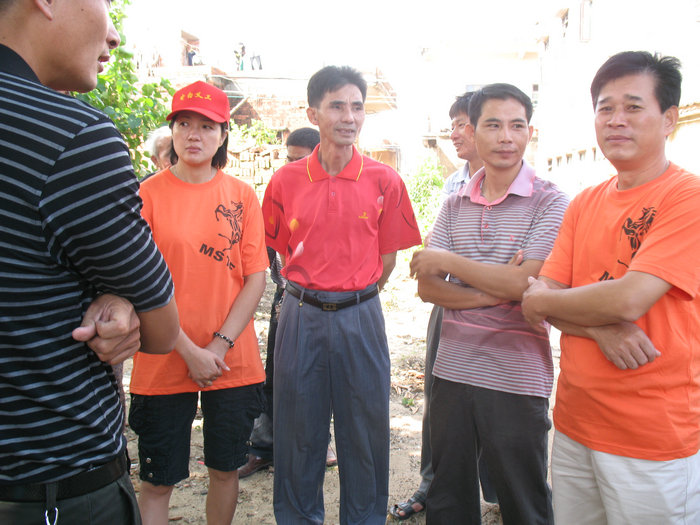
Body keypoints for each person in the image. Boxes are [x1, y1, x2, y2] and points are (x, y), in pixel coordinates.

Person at [0, 1, 179, 524]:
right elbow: (163, 329)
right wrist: (123, 297)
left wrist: (113, 292)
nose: (114, 34)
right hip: (52, 488)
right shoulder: (69, 136)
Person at [522, 51, 700, 524]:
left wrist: (547, 300)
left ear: (669, 119)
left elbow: (627, 298)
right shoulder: (584, 203)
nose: (616, 120)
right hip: (576, 424)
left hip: (653, 436)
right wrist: (598, 329)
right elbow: (535, 304)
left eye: (633, 107)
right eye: (605, 108)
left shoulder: (686, 198)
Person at [262, 65, 422, 524]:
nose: (349, 117)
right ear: (313, 113)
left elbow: (387, 261)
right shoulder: (284, 181)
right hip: (300, 316)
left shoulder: (384, 181)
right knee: (297, 433)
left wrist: (353, 296)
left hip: (361, 317)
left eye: (357, 107)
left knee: (365, 433)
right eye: (337, 106)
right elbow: (280, 250)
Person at [410, 83, 569, 524]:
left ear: (529, 132)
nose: (506, 137)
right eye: (493, 125)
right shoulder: (453, 202)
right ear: (473, 131)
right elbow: (428, 288)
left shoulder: (550, 200)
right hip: (452, 370)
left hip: (517, 375)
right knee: (448, 497)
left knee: (523, 499)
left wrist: (448, 262)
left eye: (517, 126)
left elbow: (526, 282)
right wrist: (495, 290)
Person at [129, 81, 268, 525]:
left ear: (223, 134)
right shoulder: (146, 195)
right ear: (171, 131)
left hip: (232, 362)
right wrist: (188, 350)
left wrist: (218, 346)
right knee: (157, 481)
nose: (194, 135)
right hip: (162, 359)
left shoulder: (242, 195)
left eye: (207, 126)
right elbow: (137, 282)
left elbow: (255, 278)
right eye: (184, 124)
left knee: (225, 471)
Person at [390, 91, 497, 521]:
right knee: (440, 399)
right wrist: (463, 268)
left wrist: (452, 261)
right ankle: (432, 486)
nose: (454, 133)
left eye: (461, 124)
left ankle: (502, 487)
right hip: (450, 304)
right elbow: (429, 258)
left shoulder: (523, 186)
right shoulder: (455, 184)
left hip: (505, 317)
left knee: (499, 403)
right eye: (452, 124)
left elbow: (517, 269)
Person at [239, 127, 333, 479]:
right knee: (276, 374)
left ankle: (317, 443)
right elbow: (268, 247)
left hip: (325, 303)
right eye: (288, 158)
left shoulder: (332, 196)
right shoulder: (280, 189)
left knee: (320, 375)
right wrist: (283, 292)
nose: (291, 166)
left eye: (299, 159)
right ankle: (263, 447)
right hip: (287, 298)